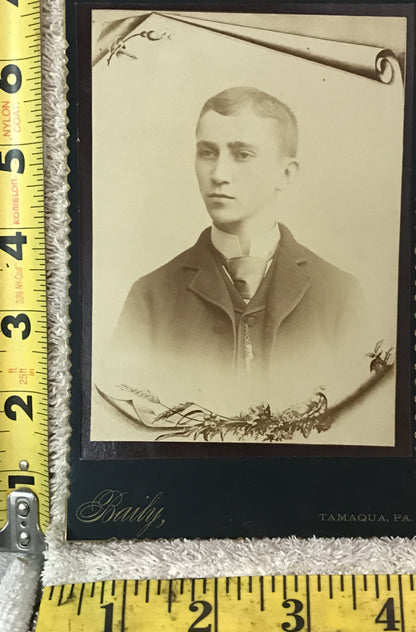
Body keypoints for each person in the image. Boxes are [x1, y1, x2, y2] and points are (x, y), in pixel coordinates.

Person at [114, 86, 365, 399]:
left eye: (242, 154)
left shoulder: (340, 295)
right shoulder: (149, 297)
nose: (218, 174)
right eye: (207, 152)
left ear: (286, 174)